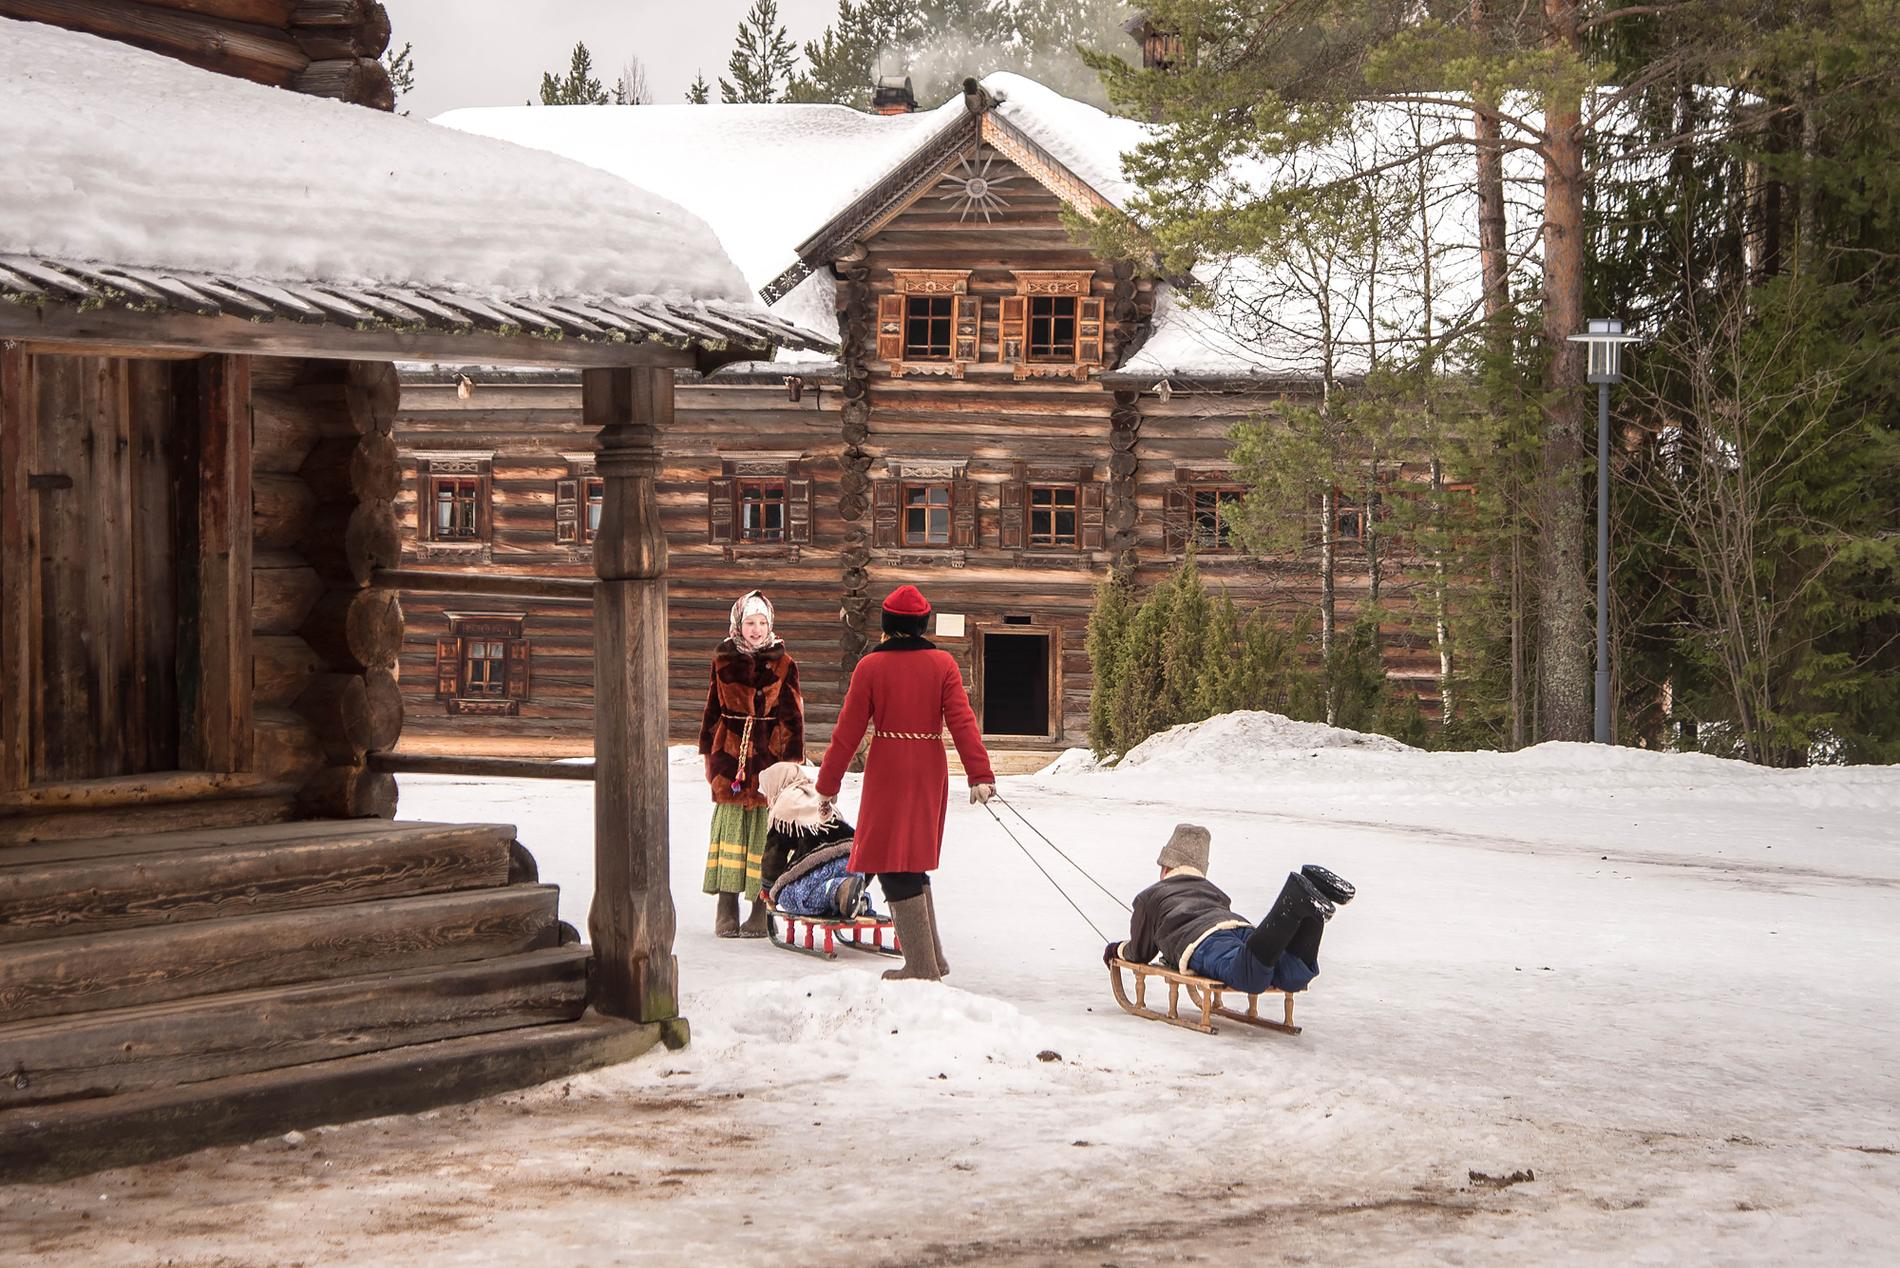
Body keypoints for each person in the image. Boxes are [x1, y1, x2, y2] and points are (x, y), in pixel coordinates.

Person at [817, 584, 994, 981]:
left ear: (887, 625)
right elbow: (963, 722)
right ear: (921, 626)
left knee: (893, 863)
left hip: (889, 769)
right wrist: (979, 774)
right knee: (909, 859)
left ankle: (920, 966)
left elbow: (846, 733)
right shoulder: (943, 663)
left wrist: (828, 784)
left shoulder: (869, 667)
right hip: (929, 768)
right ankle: (933, 959)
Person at [1104, 824, 1355, 994]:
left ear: (1166, 868)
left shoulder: (1150, 896)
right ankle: (1313, 891)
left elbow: (1140, 951)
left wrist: (1116, 949)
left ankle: (1295, 896)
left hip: (1202, 941)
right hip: (1240, 928)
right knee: (1292, 975)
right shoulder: (1213, 890)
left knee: (1249, 975)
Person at [698, 590, 804, 938]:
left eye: (761, 623)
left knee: (764, 835)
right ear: (738, 624)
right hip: (730, 756)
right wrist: (708, 756)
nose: (756, 630)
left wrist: (791, 764)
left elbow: (793, 717)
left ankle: (760, 909)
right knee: (729, 829)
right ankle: (726, 906)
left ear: (770, 624)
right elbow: (711, 711)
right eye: (749, 623)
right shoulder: (723, 660)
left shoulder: (784, 663)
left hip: (768, 758)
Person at [757, 761, 875, 922]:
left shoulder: (783, 805)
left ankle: (840, 890)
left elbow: (774, 856)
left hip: (824, 860)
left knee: (790, 896)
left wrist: (769, 890)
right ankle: (858, 899)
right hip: (855, 858)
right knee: (823, 884)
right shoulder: (815, 792)